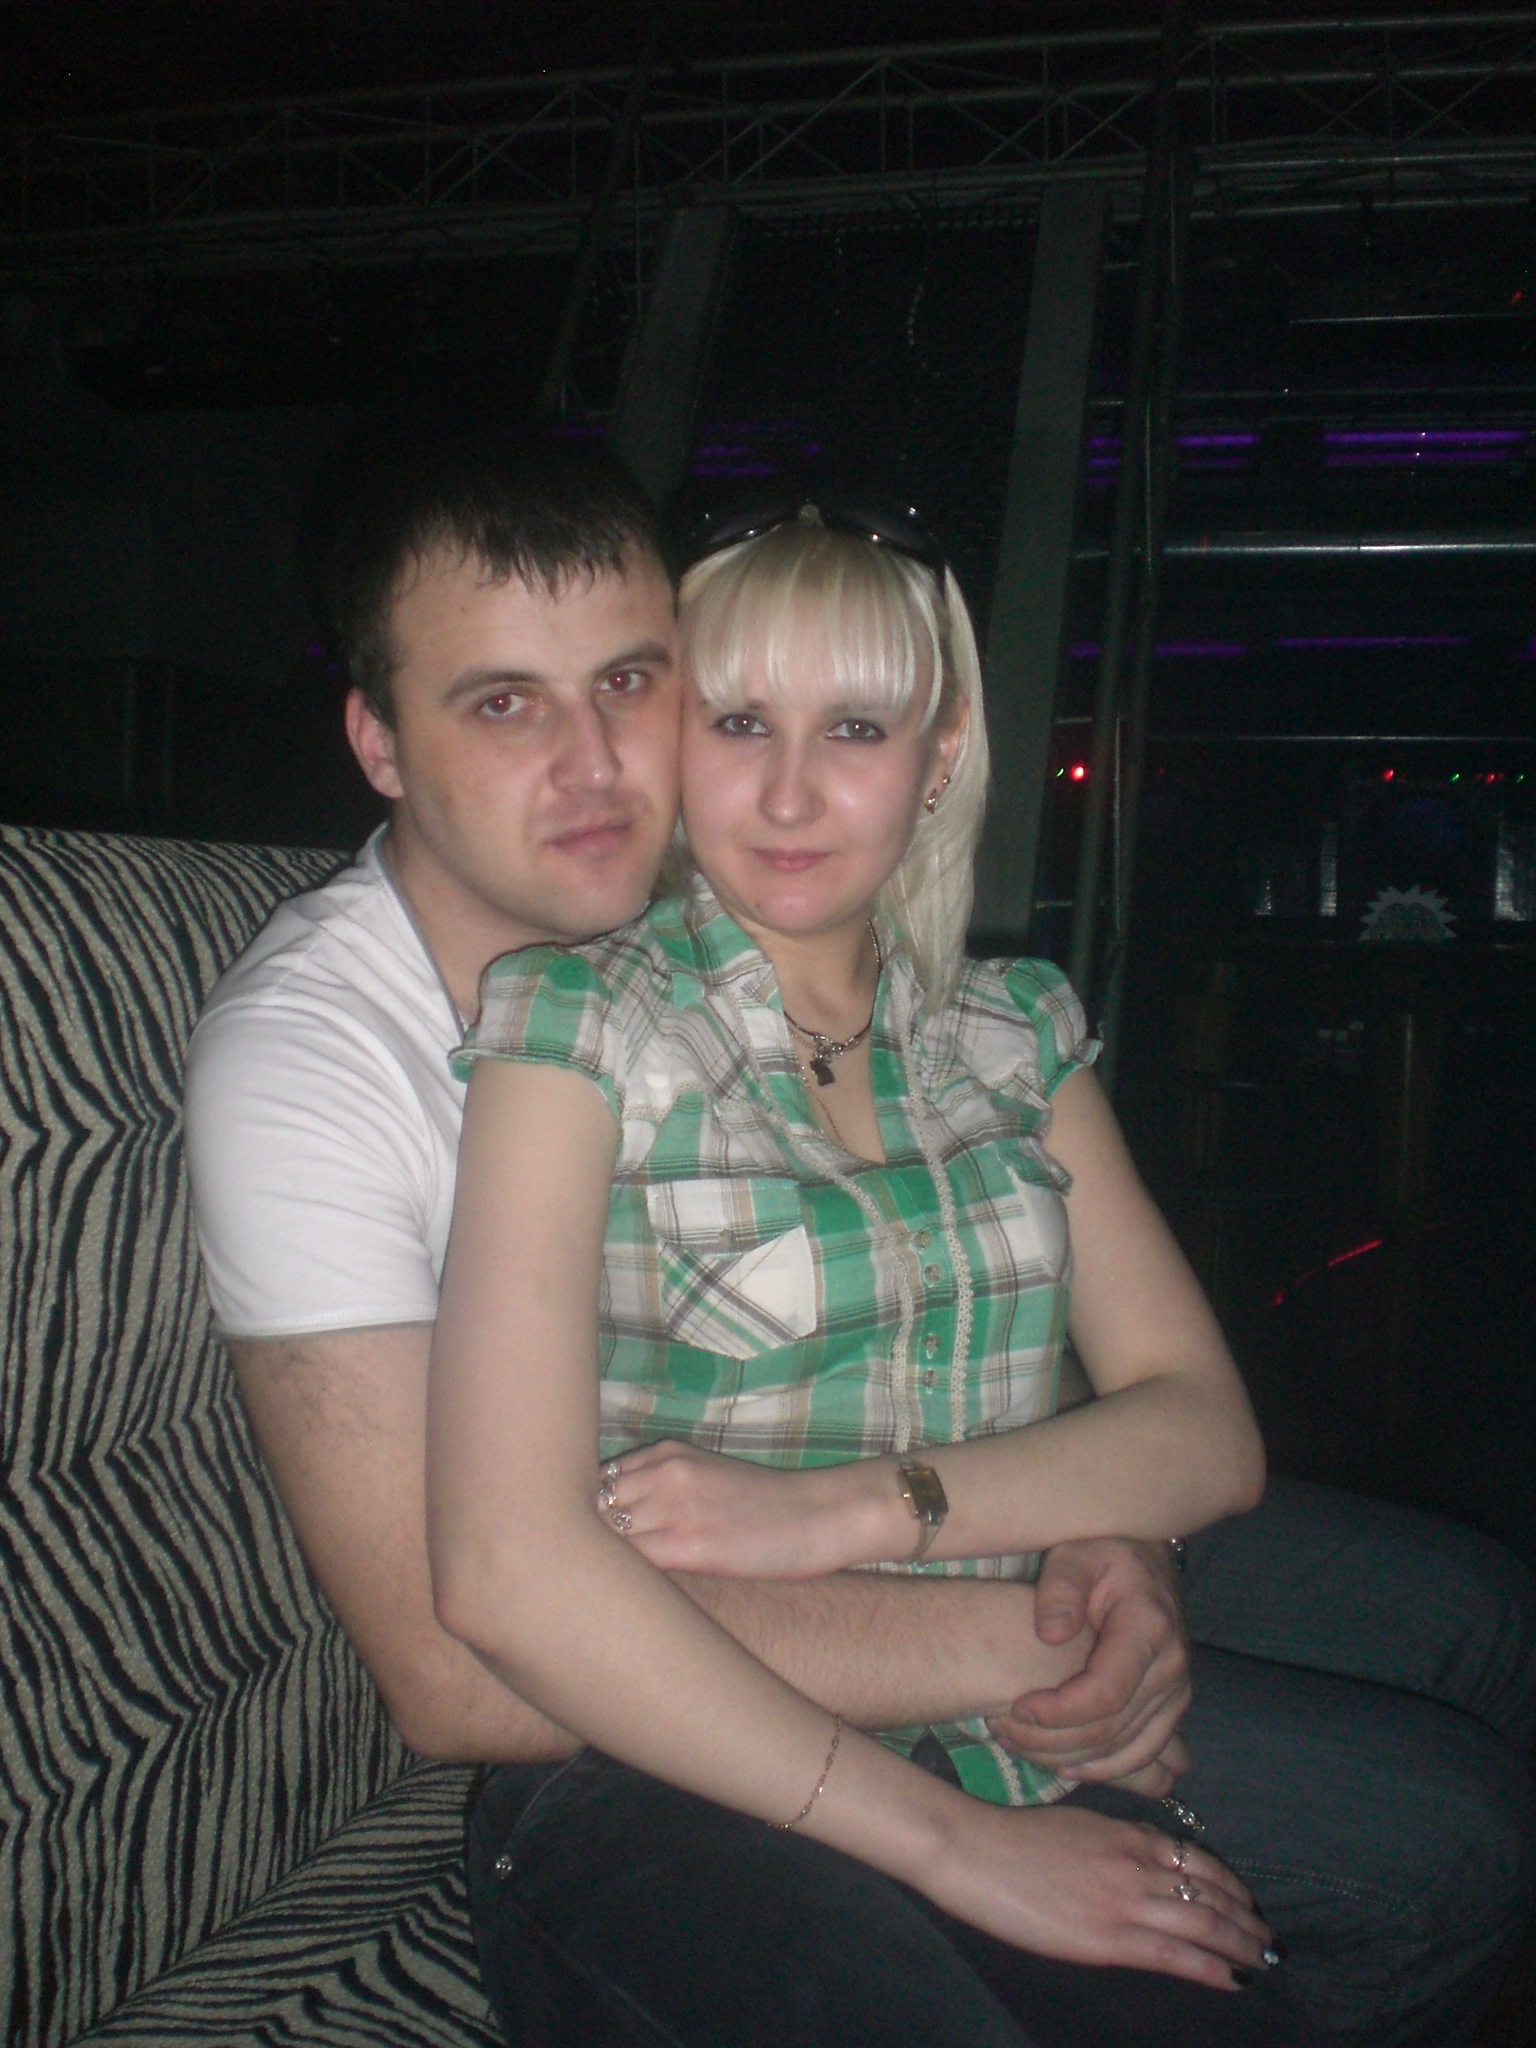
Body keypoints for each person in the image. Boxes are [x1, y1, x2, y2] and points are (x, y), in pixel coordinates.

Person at [183, 429, 1536, 2048]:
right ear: (379, 740)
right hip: (671, 1706)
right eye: (502, 704)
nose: (600, 765)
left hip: (921, 1547)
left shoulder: (859, 963)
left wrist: (1115, 1536)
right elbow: (471, 1646)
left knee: (1467, 1635)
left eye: (633, 684)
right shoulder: (351, 1054)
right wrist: (1039, 1637)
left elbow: (1030, 1346)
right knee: (1431, 1828)